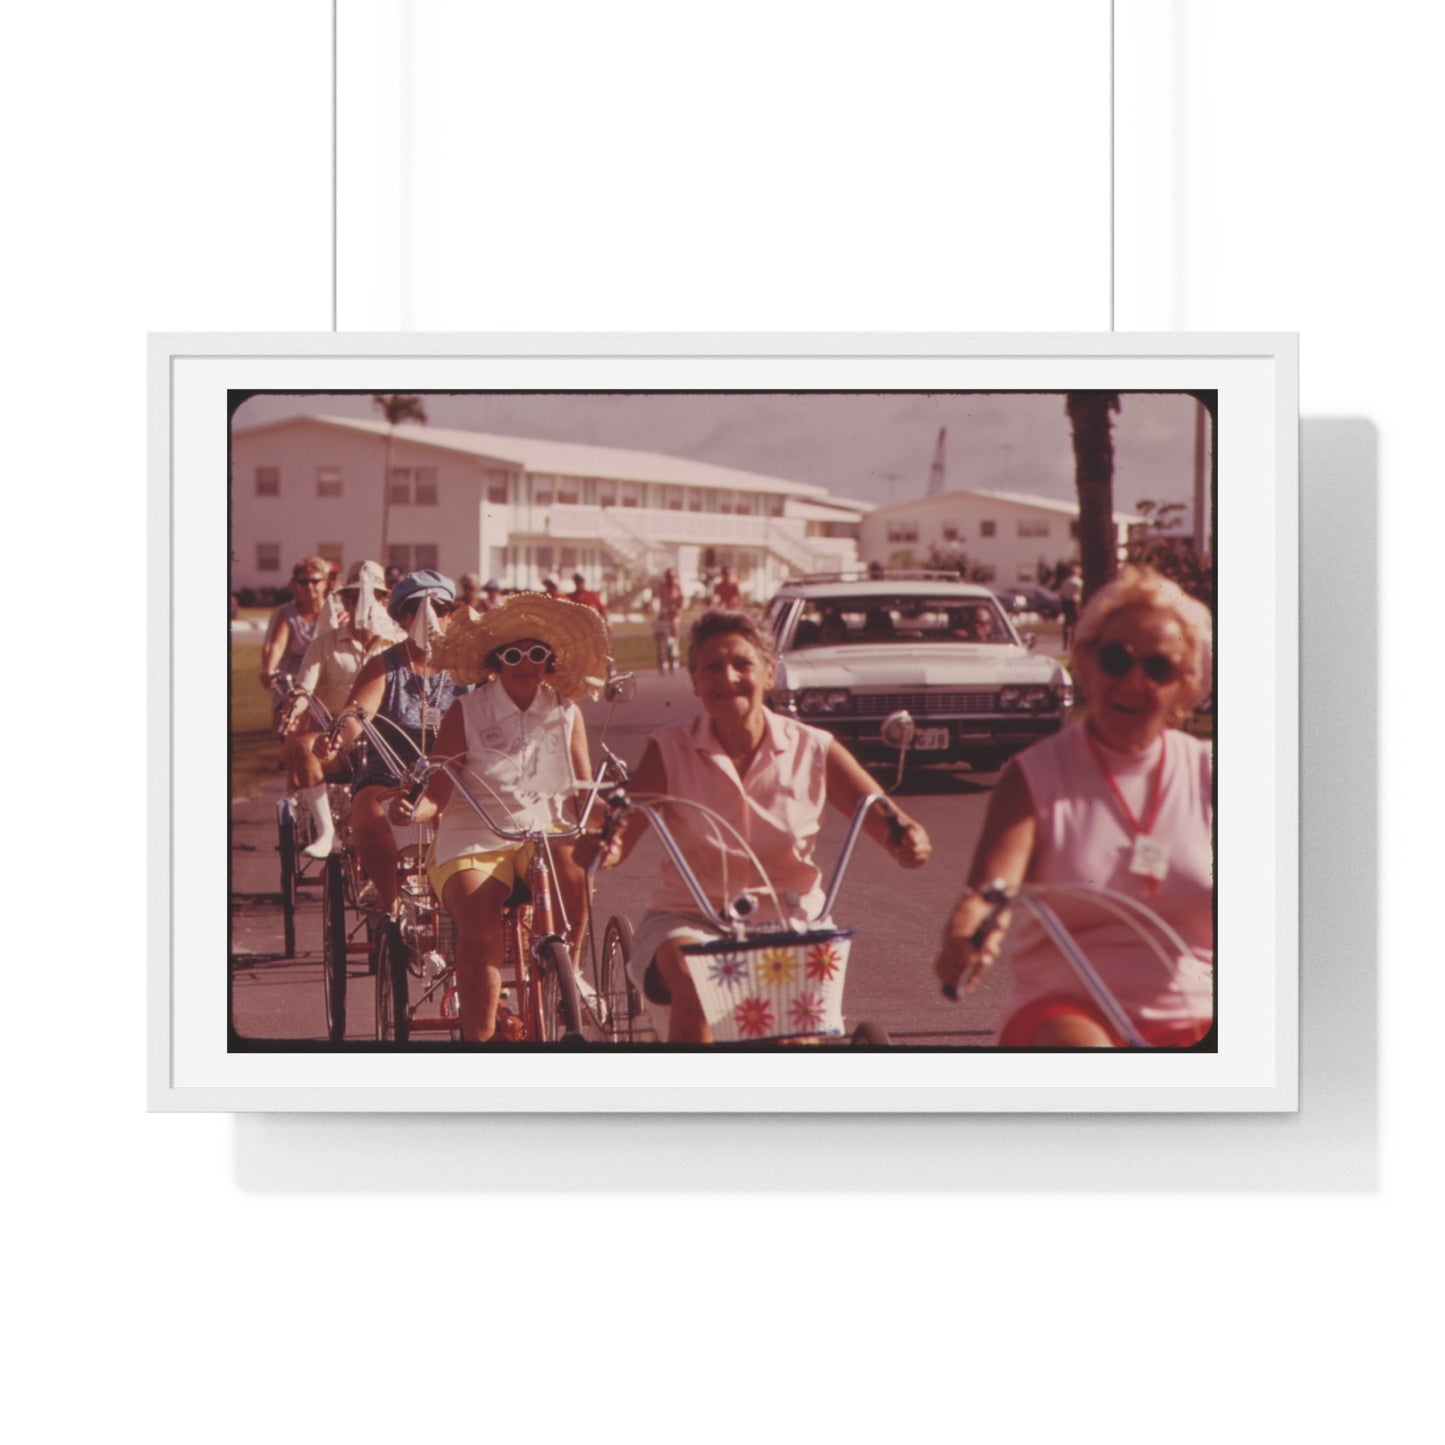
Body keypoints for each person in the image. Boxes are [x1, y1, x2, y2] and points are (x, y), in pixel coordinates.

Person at [581, 608, 932, 1043]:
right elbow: (622, 833)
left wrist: (909, 841)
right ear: (694, 681)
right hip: (691, 917)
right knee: (699, 984)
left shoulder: (815, 748)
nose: (726, 677)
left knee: (796, 1036)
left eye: (742, 664)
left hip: (794, 918)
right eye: (712, 667)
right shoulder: (668, 749)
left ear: (769, 675)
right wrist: (602, 848)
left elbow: (888, 821)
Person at [932, 565, 1214, 1048]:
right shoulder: (1036, 774)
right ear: (1084, 663)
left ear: (1186, 685)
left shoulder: (1212, 775)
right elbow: (991, 889)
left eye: (1158, 668)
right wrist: (971, 928)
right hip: (1066, 1008)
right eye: (1116, 659)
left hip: (1195, 1007)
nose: (1133, 680)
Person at [391, 593, 611, 1043]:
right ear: (496, 661)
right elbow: (439, 789)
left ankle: (571, 966)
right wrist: (415, 809)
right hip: (476, 835)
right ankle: (482, 1044)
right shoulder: (467, 710)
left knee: (577, 866)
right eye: (513, 654)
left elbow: (582, 794)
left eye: (536, 653)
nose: (525, 664)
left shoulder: (566, 711)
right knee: (479, 935)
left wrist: (610, 817)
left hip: (545, 831)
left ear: (549, 661)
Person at [322, 570, 469, 916]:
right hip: (391, 774)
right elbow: (356, 713)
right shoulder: (384, 665)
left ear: (451, 614)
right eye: (417, 608)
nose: (432, 617)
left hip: (459, 776)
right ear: (402, 617)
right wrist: (335, 738)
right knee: (367, 809)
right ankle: (390, 902)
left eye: (442, 608)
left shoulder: (468, 668)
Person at [275, 560, 398, 857]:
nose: (363, 604)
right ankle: (327, 831)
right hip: (336, 743)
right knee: (300, 746)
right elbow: (305, 688)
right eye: (354, 598)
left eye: (372, 597)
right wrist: (294, 708)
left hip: (388, 746)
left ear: (384, 600)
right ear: (345, 601)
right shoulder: (324, 643)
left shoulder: (398, 643)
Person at [259, 556, 330, 714]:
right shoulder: (287, 614)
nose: (309, 586)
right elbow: (276, 645)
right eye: (304, 582)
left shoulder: (337, 613)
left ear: (325, 583)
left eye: (315, 581)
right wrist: (269, 669)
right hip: (293, 685)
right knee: (288, 724)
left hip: (327, 687)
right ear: (294, 585)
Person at [652, 566, 685, 671]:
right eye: (669, 577)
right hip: (664, 612)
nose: (670, 579)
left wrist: (678, 608)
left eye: (672, 577)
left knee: (675, 626)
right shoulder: (662, 587)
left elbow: (682, 599)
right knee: (660, 632)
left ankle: (675, 654)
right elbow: (655, 597)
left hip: (674, 613)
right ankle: (662, 656)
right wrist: (652, 605)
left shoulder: (677, 587)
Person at [1058, 563, 1084, 649]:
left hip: (1066, 602)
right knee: (1075, 624)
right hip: (1075, 602)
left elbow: (1061, 594)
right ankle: (1072, 642)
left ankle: (1065, 643)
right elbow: (1081, 594)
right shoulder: (1078, 582)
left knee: (1066, 623)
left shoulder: (1065, 582)